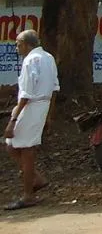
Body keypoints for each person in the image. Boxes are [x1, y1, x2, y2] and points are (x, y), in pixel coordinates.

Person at [4, 30, 59, 210]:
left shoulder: (30, 60)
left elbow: (26, 94)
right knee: (12, 145)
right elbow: (54, 88)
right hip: (42, 105)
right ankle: (36, 178)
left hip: (31, 106)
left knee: (25, 151)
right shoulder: (48, 57)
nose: (17, 47)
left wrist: (13, 120)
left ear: (27, 44)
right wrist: (49, 115)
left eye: (18, 44)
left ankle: (28, 195)